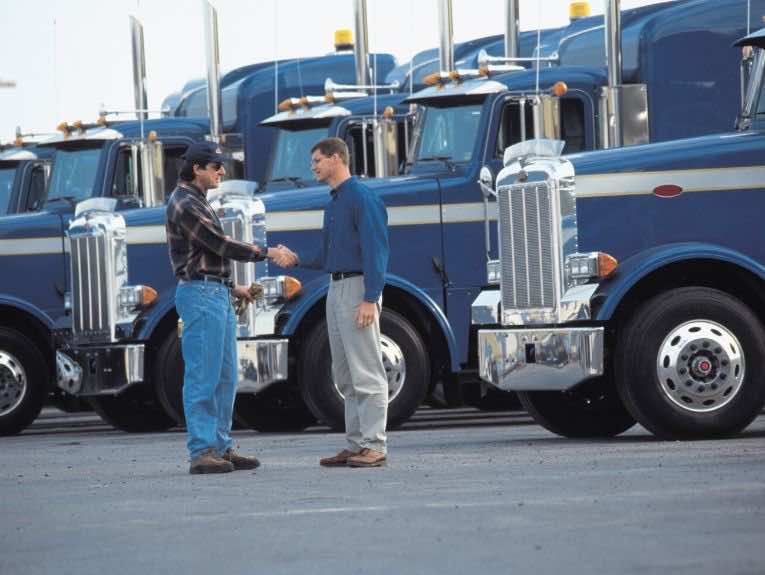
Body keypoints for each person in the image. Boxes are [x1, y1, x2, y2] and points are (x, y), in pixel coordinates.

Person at [166, 141, 294, 475]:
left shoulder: (195, 200)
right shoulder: (184, 203)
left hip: (214, 293)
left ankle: (220, 447)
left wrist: (232, 286)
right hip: (201, 296)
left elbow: (205, 256)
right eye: (216, 166)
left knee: (224, 377)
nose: (222, 171)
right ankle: (202, 451)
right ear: (197, 168)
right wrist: (267, 253)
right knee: (202, 376)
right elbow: (218, 244)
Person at [278, 137, 390, 468]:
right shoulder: (336, 201)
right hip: (336, 288)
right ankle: (357, 445)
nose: (312, 166)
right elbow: (328, 254)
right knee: (344, 373)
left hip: (357, 290)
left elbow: (376, 251)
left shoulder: (361, 198)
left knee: (367, 369)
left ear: (337, 158)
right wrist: (295, 257)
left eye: (317, 160)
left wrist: (370, 298)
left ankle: (375, 445)